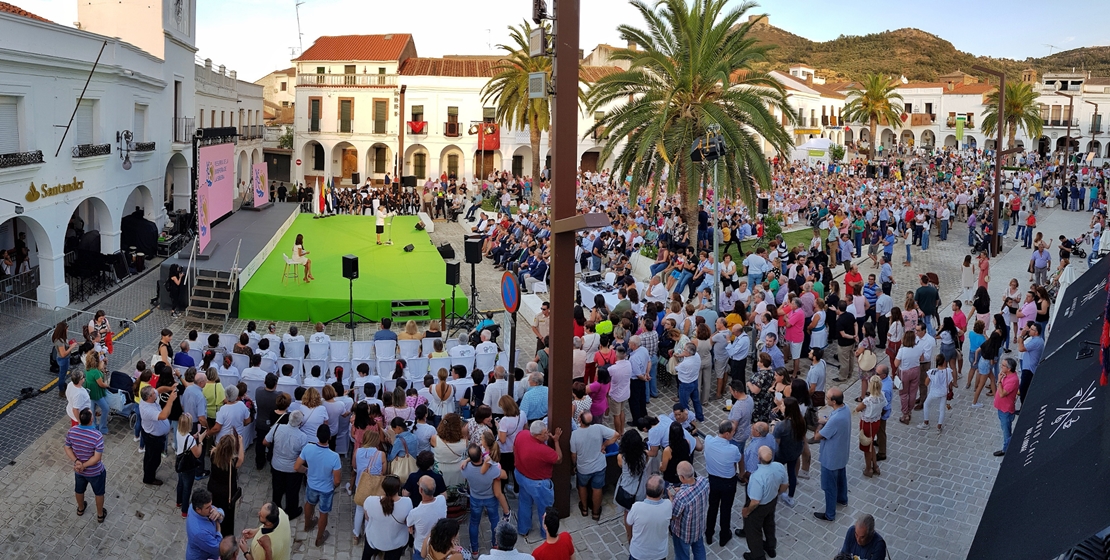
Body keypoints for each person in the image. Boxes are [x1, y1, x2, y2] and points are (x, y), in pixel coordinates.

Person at [513, 421, 563, 538]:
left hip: (521, 475)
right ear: (537, 436)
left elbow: (514, 448)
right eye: (545, 433)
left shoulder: (522, 434)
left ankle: (523, 530)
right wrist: (556, 441)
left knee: (524, 503)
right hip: (538, 483)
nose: (548, 434)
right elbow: (559, 459)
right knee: (545, 509)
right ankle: (546, 534)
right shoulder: (542, 450)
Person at [295, 425, 342, 547]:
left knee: (309, 503)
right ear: (329, 437)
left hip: (311, 484)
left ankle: (307, 524)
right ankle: (319, 538)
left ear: (317, 435)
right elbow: (337, 480)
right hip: (326, 489)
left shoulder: (308, 448)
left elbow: (296, 466)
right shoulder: (334, 456)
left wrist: (306, 471)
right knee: (323, 512)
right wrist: (332, 486)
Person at [569, 411, 619, 520]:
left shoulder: (575, 435)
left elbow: (573, 455)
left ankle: (584, 509)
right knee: (597, 488)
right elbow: (616, 435)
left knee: (582, 486)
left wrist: (573, 466)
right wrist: (604, 445)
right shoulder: (598, 428)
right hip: (599, 466)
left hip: (583, 468)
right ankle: (596, 513)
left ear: (579, 420)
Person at [742, 445, 789, 560]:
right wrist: (776, 493)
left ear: (758, 458)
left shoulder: (757, 477)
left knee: (753, 530)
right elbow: (785, 485)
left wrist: (747, 511)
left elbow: (755, 501)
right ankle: (770, 546)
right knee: (769, 523)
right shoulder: (779, 466)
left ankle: (757, 555)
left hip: (760, 506)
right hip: (772, 501)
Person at [812, 387, 850, 521]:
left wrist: (820, 424)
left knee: (829, 487)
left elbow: (818, 437)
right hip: (841, 454)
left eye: (828, 398)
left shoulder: (835, 419)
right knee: (841, 478)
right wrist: (826, 420)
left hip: (831, 458)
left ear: (833, 401)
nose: (826, 400)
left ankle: (830, 514)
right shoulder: (846, 409)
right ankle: (842, 499)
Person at [65, 408, 108, 523]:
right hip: (95, 472)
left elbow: (67, 447)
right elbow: (97, 457)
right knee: (99, 493)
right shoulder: (97, 435)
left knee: (79, 489)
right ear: (91, 420)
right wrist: (84, 465)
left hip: (78, 470)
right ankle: (100, 515)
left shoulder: (72, 431)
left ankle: (80, 509)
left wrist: (76, 462)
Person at [703, 420, 741, 547]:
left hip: (713, 480)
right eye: (733, 432)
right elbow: (737, 460)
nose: (734, 434)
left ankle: (709, 533)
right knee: (726, 509)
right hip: (728, 483)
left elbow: (708, 437)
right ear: (726, 434)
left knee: (712, 507)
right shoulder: (733, 449)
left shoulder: (708, 440)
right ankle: (724, 535)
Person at [265, 405, 306, 520]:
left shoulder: (277, 427)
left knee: (277, 489)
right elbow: (304, 455)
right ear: (300, 423)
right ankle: (291, 511)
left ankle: (275, 510)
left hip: (277, 464)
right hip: (292, 468)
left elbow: (265, 441)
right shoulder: (302, 437)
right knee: (292, 491)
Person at [461, 443, 503, 554]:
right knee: (495, 521)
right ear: (481, 454)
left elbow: (466, 465)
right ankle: (495, 545)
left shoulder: (465, 468)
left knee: (474, 523)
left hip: (475, 498)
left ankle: (474, 550)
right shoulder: (492, 469)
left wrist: (466, 460)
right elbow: (501, 473)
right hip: (490, 498)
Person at [362, 475, 413, 560]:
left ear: (383, 488)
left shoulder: (370, 501)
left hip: (374, 539)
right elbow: (407, 521)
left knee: (366, 557)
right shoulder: (407, 502)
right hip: (396, 543)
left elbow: (367, 518)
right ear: (398, 488)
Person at [669, 461, 709, 560]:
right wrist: (682, 488)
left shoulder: (681, 497)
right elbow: (692, 488)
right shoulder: (703, 481)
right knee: (699, 550)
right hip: (699, 527)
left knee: (682, 556)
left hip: (683, 533)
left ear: (682, 477)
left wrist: (671, 498)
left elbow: (673, 515)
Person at [208, 431, 245, 537]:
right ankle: (226, 534)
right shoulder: (233, 462)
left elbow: (215, 449)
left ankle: (214, 528)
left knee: (214, 508)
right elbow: (241, 459)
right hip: (227, 491)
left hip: (213, 487)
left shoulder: (213, 453)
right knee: (227, 514)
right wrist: (241, 442)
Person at [627, 474, 672, 560]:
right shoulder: (668, 505)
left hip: (638, 554)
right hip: (659, 554)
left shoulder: (637, 507)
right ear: (662, 491)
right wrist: (671, 497)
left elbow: (629, 522)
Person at [139, 385, 176, 485]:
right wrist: (170, 400)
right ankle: (149, 478)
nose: (156, 392)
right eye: (153, 393)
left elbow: (159, 389)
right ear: (150, 397)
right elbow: (164, 415)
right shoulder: (147, 410)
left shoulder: (147, 398)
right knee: (154, 460)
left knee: (149, 456)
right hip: (153, 438)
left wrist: (170, 388)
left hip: (152, 435)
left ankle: (148, 471)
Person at [407, 476, 448, 560]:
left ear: (421, 490)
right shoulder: (442, 500)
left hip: (422, 549)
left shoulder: (415, 513)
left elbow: (408, 523)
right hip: (440, 547)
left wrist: (411, 526)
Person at [175, 413, 207, 518]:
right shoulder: (190, 439)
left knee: (180, 483)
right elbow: (197, 454)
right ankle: (185, 511)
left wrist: (194, 437)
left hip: (180, 460)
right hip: (187, 465)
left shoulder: (179, 431)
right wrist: (200, 441)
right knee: (187, 488)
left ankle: (178, 502)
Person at [186, 488, 226, 560]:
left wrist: (219, 513)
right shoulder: (200, 532)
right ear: (198, 509)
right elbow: (218, 549)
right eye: (208, 507)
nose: (211, 509)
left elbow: (218, 510)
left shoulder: (193, 506)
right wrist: (218, 527)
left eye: (211, 505)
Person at [919, 355, 953, 433]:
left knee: (926, 404)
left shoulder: (932, 372)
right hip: (944, 392)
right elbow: (950, 383)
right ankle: (939, 426)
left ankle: (926, 423)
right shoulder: (948, 371)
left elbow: (926, 383)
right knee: (942, 409)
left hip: (934, 392)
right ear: (944, 361)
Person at [993, 357, 1020, 457]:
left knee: (1006, 432)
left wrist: (999, 381)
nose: (1001, 366)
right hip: (1001, 408)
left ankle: (1006, 450)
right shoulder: (1006, 375)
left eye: (1003, 365)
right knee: (1004, 428)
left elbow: (1002, 394)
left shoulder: (1013, 380)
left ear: (1009, 369)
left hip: (1006, 410)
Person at [1016, 322, 1045, 404]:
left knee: (1024, 390)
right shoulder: (1037, 340)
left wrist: (1022, 335)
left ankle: (1023, 408)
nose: (1029, 330)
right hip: (1028, 367)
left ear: (1036, 332)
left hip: (1029, 369)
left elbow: (1021, 348)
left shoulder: (1036, 342)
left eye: (1031, 329)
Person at [53, 322, 77, 399]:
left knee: (63, 374)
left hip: (64, 359)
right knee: (62, 376)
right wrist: (71, 347)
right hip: (63, 359)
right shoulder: (59, 341)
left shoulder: (61, 338)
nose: (67, 330)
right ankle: (61, 390)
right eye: (67, 329)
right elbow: (63, 354)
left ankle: (63, 386)